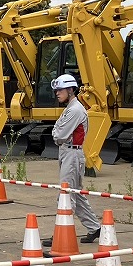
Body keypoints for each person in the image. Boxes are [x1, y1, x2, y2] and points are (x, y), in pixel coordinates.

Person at [42, 74, 101, 246]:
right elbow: (57, 132)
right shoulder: (70, 108)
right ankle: (95, 227)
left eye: (60, 90)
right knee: (75, 193)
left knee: (66, 194)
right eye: (56, 90)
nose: (57, 93)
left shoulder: (75, 110)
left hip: (72, 153)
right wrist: (58, 134)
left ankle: (62, 232)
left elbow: (59, 134)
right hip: (67, 153)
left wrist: (58, 134)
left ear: (70, 90)